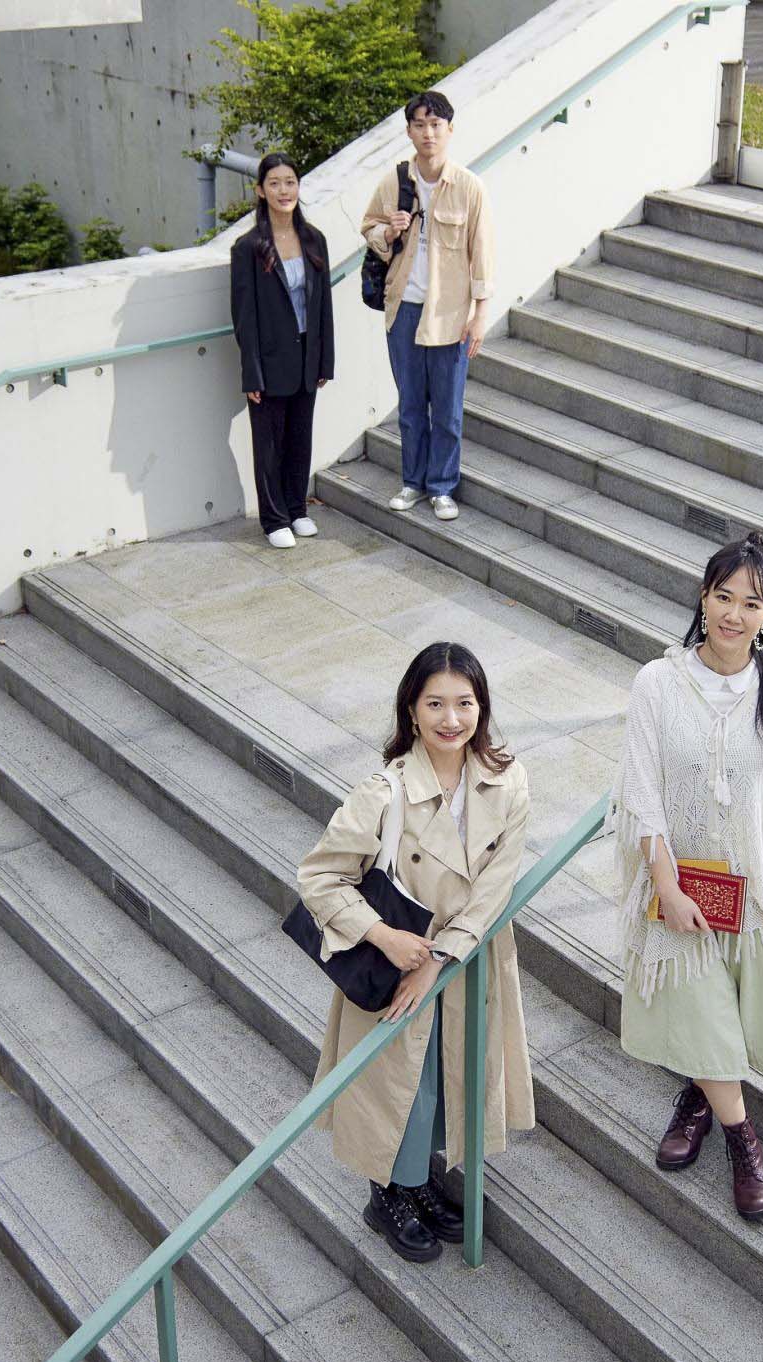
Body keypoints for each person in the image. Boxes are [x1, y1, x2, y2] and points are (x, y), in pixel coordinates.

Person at [296, 642, 534, 1262]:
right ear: (411, 710)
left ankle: (420, 1179)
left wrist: (439, 958)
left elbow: (496, 885)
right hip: (397, 961)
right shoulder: (384, 792)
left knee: (447, 1076)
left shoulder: (507, 781)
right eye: (435, 704)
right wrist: (383, 935)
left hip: (463, 958)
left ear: (482, 707)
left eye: (464, 703)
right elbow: (318, 877)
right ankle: (387, 1194)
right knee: (401, 1082)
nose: (451, 719)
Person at [610, 533, 763, 1221]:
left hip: (751, 894)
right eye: (723, 596)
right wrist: (665, 886)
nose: (734, 613)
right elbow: (642, 794)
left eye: (751, 603)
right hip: (680, 886)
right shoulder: (658, 684)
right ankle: (742, 1138)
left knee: (721, 1023)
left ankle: (697, 1100)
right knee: (702, 1006)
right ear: (703, 598)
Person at [358, 90, 492, 525]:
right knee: (411, 404)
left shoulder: (469, 187)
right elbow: (369, 228)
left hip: (450, 315)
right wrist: (389, 232)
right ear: (409, 131)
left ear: (450, 130)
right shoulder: (395, 182)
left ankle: (442, 487)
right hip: (403, 310)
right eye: (420, 125)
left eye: (436, 125)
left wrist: (480, 315)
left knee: (448, 409)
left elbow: (482, 254)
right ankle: (412, 482)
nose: (428, 133)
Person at [231, 152, 334, 549]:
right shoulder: (248, 247)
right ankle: (274, 519)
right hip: (269, 360)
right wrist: (252, 373)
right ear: (260, 190)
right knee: (269, 444)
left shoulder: (314, 239)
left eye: (290, 182)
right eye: (274, 183)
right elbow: (244, 317)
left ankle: (297, 509)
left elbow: (323, 306)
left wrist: (325, 360)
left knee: (300, 438)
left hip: (307, 355)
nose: (283, 190)